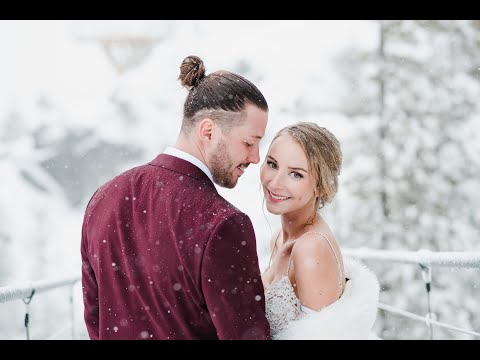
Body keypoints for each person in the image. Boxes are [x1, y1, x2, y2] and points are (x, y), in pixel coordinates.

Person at [81, 55, 271, 340]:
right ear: (208, 131)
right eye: (249, 142)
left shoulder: (102, 199)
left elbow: (95, 320)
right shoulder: (223, 225)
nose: (256, 158)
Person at [260, 122, 379, 339]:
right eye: (272, 164)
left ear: (321, 186)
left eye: (296, 174)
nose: (274, 182)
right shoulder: (279, 238)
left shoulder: (310, 247)